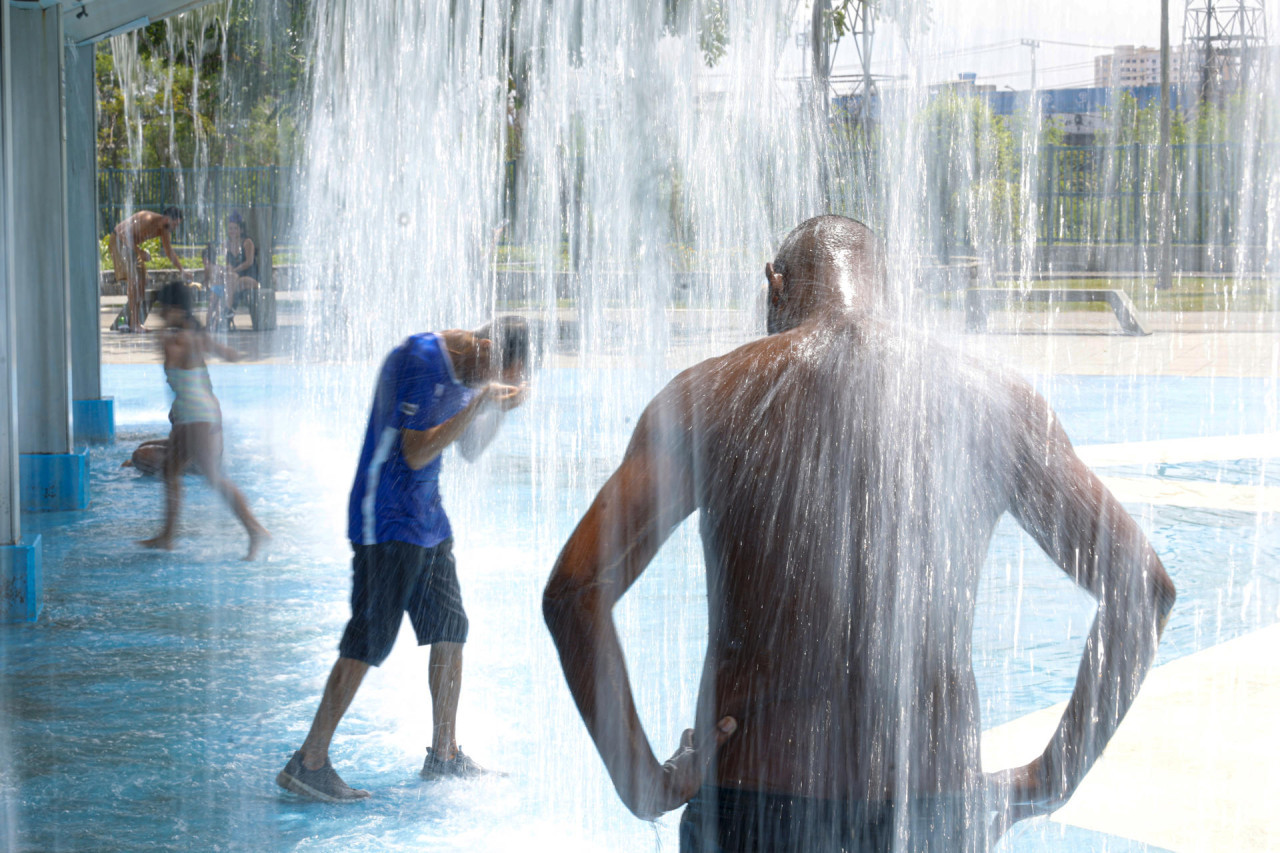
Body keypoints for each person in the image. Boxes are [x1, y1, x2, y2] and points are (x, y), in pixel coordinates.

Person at [542, 216, 1176, 852]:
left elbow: (574, 589)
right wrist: (1048, 781)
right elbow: (1142, 590)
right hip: (930, 810)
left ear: (774, 286)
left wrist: (643, 784)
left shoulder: (709, 397)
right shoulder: (993, 403)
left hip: (753, 806)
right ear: (889, 288)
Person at [276, 318, 531, 803]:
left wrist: (501, 409)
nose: (484, 383)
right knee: (370, 639)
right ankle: (308, 762)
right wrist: (479, 402)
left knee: (450, 629)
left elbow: (471, 450)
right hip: (386, 518)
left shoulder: (471, 369)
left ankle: (445, 754)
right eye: (492, 373)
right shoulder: (420, 360)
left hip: (427, 519)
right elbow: (416, 452)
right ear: (484, 346)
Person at [137, 282, 270, 560]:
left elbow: (172, 362)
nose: (159, 314)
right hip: (192, 413)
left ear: (176, 309)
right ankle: (167, 536)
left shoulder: (181, 338)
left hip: (197, 416)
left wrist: (161, 337)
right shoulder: (191, 334)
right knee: (171, 471)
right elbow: (225, 353)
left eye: (163, 309)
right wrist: (237, 355)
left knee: (213, 477)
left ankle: (255, 530)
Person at [108, 207, 192, 333]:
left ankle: (132, 322)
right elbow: (122, 234)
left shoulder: (165, 230)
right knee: (135, 280)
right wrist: (140, 252)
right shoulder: (147, 219)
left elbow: (169, 252)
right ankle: (134, 323)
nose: (176, 227)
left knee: (142, 281)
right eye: (176, 224)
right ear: (167, 218)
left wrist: (182, 271)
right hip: (118, 242)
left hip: (131, 247)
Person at [221, 211, 261, 326]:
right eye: (230, 229)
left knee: (233, 281)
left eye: (235, 228)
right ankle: (228, 312)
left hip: (251, 277)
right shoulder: (227, 244)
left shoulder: (247, 242)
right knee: (231, 279)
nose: (232, 231)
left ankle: (228, 311)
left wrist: (234, 270)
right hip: (235, 279)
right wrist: (228, 270)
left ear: (241, 230)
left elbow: (249, 262)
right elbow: (228, 263)